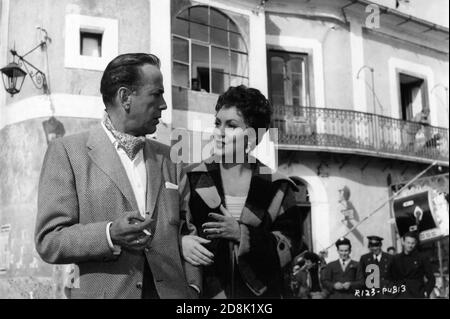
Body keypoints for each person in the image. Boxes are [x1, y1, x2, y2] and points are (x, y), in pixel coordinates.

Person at [35, 53, 200, 299]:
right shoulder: (68, 152)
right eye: (156, 94)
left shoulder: (171, 159)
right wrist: (110, 235)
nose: (164, 104)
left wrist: (193, 288)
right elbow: (49, 240)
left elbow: (190, 231)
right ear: (125, 97)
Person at [180, 85, 303, 298]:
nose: (219, 133)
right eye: (217, 123)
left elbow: (290, 245)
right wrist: (180, 242)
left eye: (231, 125)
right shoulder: (191, 177)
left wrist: (241, 234)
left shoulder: (277, 186)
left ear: (253, 137)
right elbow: (168, 228)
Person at [386, 231, 435, 298]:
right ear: (403, 242)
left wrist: (426, 292)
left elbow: (431, 278)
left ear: (416, 243)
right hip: (399, 295)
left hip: (417, 294)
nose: (410, 245)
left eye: (412, 243)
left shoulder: (422, 258)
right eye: (408, 243)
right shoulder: (396, 259)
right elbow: (389, 277)